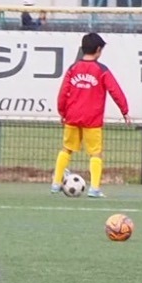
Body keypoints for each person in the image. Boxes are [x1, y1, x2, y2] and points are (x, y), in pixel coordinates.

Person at [52, 31, 129, 197]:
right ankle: (94, 188)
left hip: (72, 117)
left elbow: (63, 92)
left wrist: (62, 112)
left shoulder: (73, 68)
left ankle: (56, 183)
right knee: (95, 153)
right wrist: (125, 111)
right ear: (98, 50)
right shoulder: (101, 70)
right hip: (92, 120)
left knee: (66, 149)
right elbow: (115, 91)